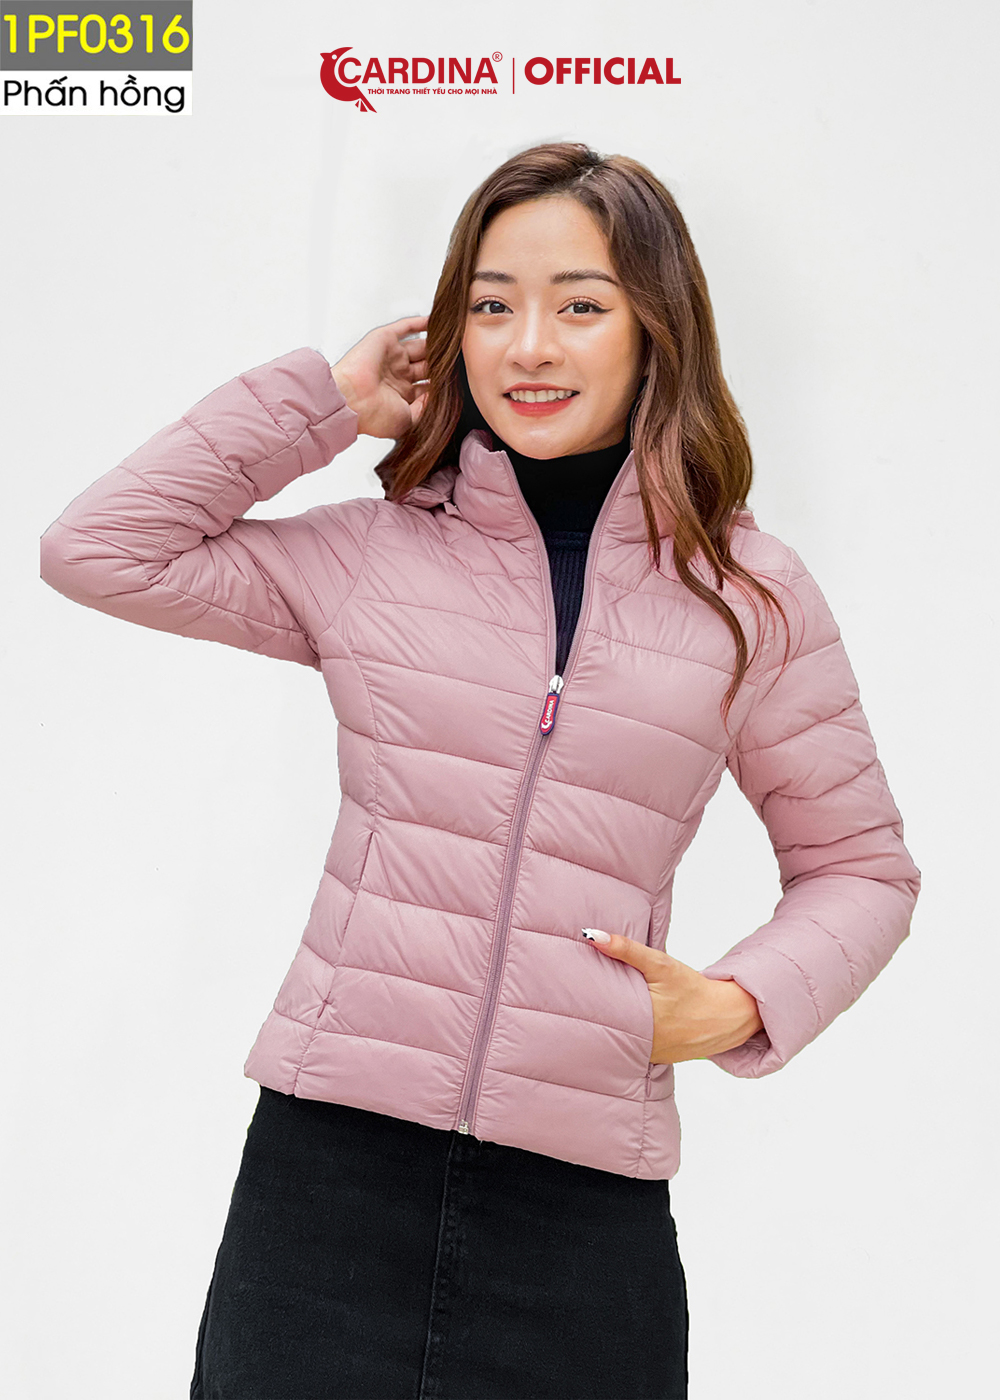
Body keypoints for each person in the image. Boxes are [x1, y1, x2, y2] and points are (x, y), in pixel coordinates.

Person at [38, 142, 920, 1400]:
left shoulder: (749, 597)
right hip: (325, 1188)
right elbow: (99, 548)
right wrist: (326, 401)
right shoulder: (372, 555)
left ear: (655, 329)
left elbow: (862, 866)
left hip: (581, 1218)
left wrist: (742, 1001)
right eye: (493, 304)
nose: (529, 346)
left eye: (580, 304)